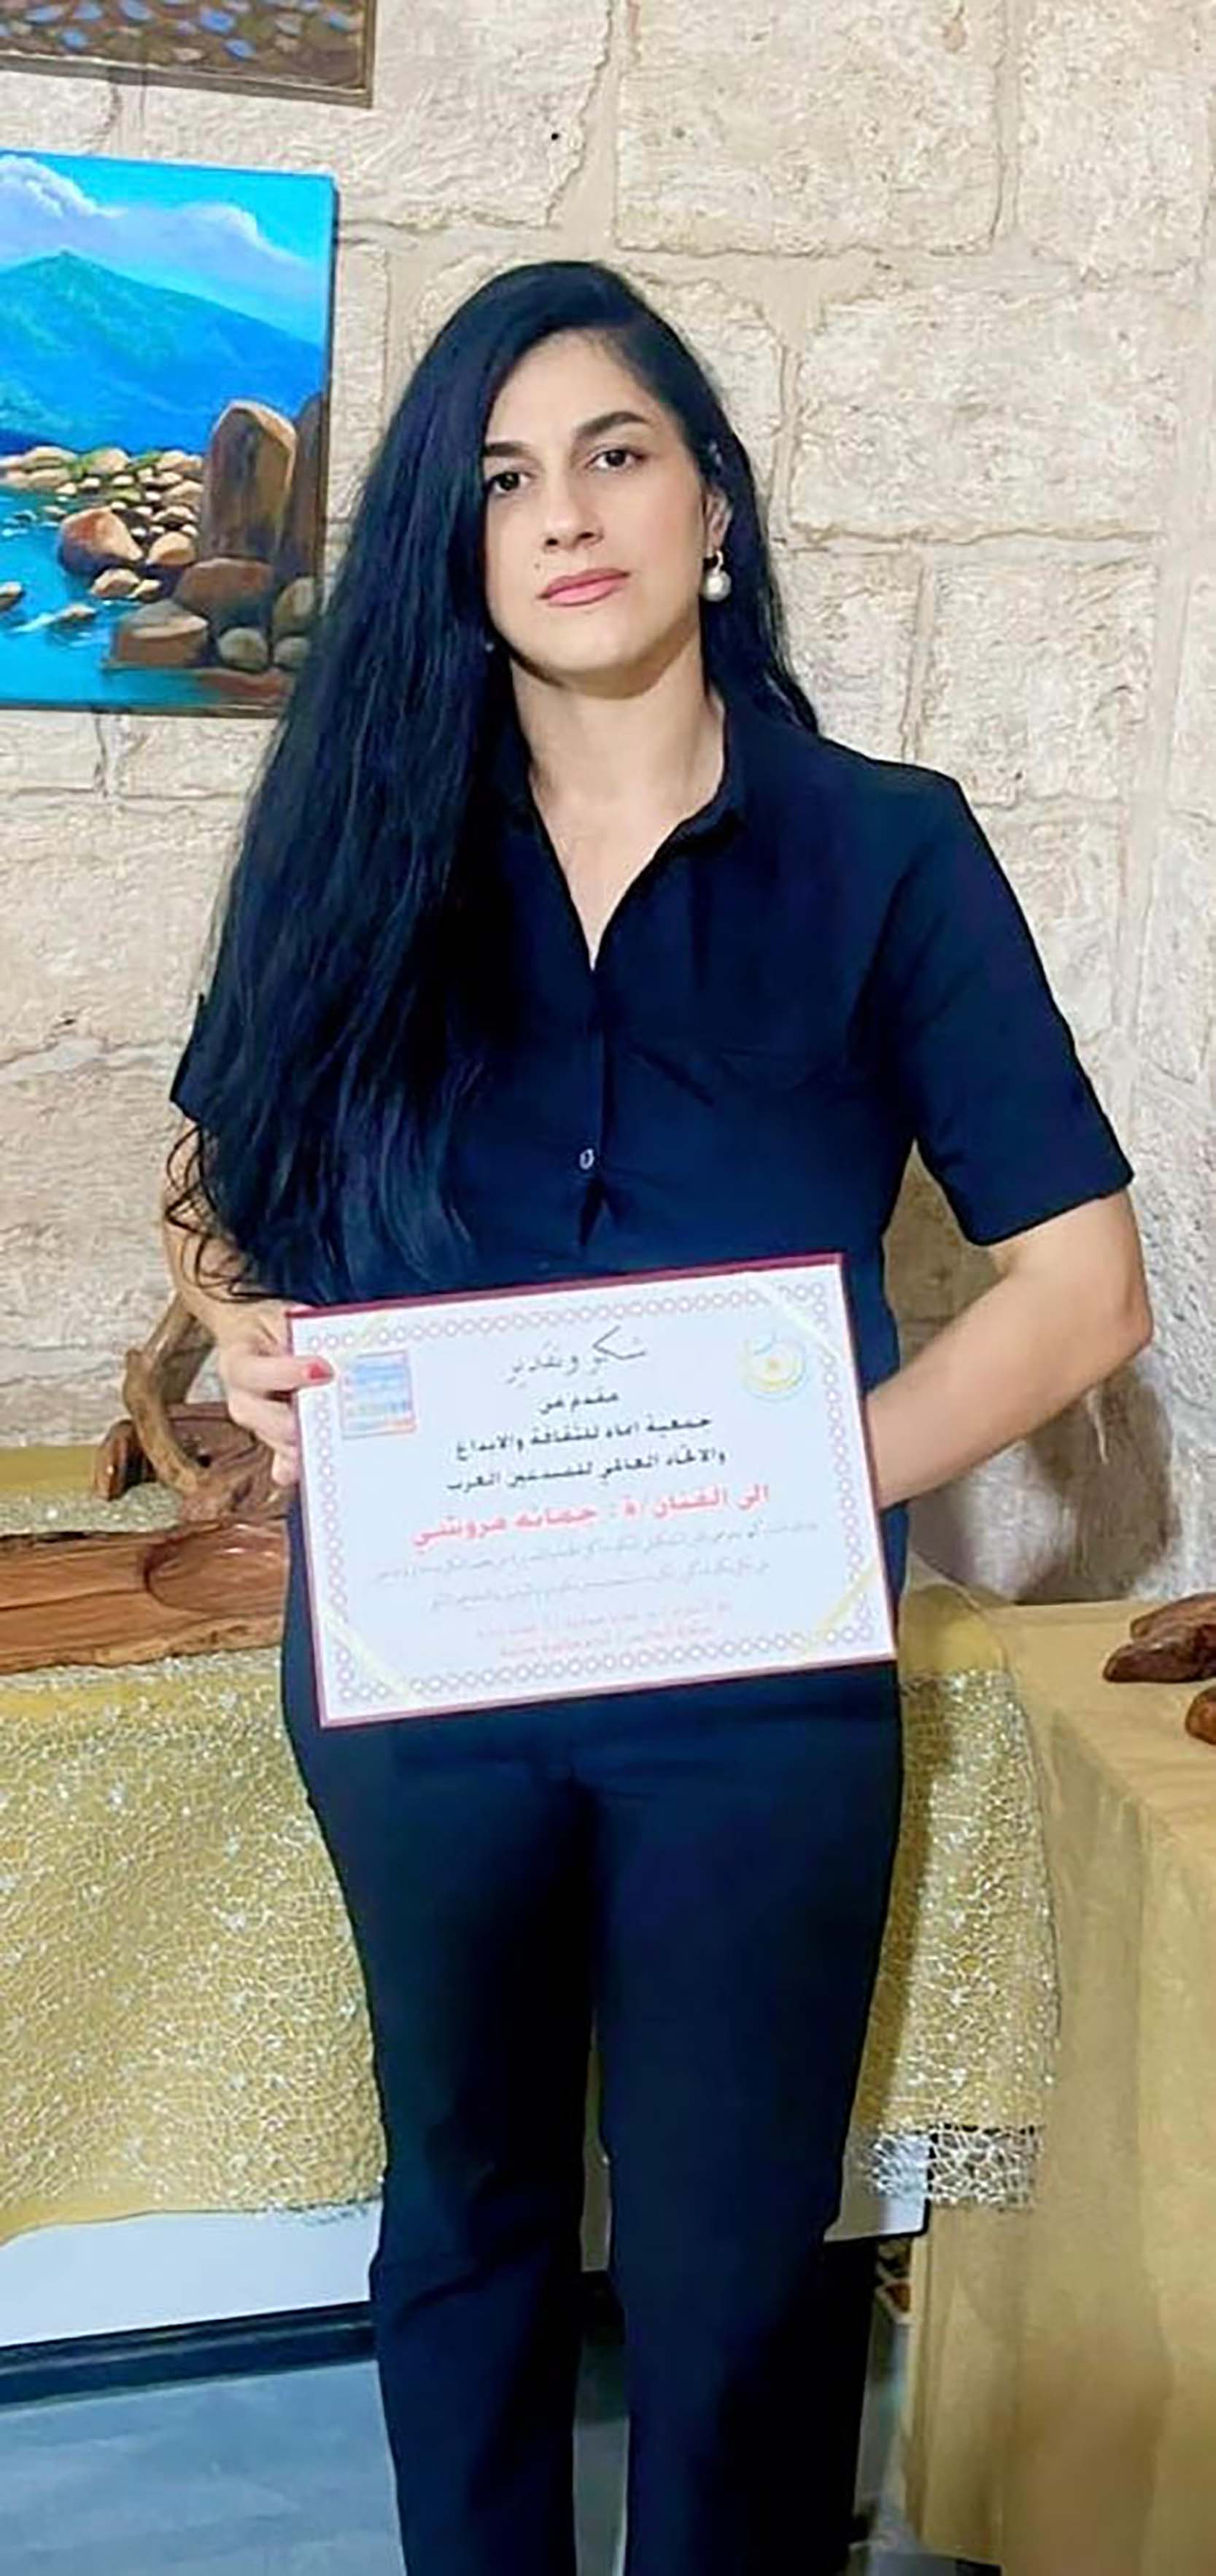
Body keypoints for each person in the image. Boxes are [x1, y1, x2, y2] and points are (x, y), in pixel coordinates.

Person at [162, 260, 1151, 2576]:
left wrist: (783, 1489)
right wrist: (240, 1332)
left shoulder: (887, 849)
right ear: (457, 548)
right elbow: (219, 1204)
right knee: (465, 2203)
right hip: (426, 1668)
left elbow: (1080, 1291)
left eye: (615, 453)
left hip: (756, 1689)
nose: (564, 513)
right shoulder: (357, 849)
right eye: (502, 479)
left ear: (710, 504)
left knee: (729, 2254)